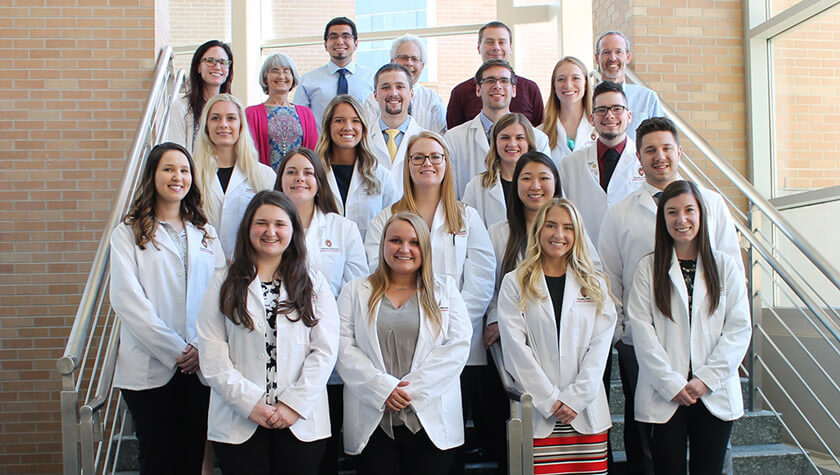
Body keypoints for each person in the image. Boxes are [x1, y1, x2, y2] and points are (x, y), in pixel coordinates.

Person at [597, 117, 743, 475]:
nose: (659, 157)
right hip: (642, 341)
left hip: (708, 353)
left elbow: (731, 287)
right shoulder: (619, 213)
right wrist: (622, 331)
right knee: (651, 441)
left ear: (679, 151)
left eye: (666, 148)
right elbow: (609, 275)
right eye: (650, 150)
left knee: (711, 453)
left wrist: (710, 374)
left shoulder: (712, 203)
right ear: (638, 157)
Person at [196, 191, 340, 475]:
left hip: (300, 419)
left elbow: (325, 350)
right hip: (240, 419)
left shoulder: (313, 282)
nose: (270, 232)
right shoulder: (222, 283)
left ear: (293, 231)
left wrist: (293, 404)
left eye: (280, 224)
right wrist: (249, 402)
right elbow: (212, 354)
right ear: (248, 227)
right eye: (261, 223)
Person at [110, 142, 225, 474]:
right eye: (169, 169)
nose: (178, 177)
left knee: (191, 457)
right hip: (150, 367)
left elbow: (220, 296)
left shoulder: (206, 233)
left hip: (199, 364)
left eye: (185, 170)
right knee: (157, 459)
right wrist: (177, 349)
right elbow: (127, 301)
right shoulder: (128, 233)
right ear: (153, 175)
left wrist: (201, 347)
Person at [627, 180, 751, 475]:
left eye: (688, 210)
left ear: (701, 215)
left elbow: (738, 329)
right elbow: (642, 332)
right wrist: (671, 383)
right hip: (665, 392)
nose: (681, 219)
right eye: (672, 212)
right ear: (663, 219)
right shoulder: (648, 267)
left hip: (712, 391)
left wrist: (706, 379)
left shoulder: (725, 266)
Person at [336, 211, 472, 474]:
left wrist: (409, 392)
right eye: (395, 240)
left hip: (430, 422)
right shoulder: (355, 290)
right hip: (374, 421)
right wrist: (382, 389)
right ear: (383, 243)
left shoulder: (445, 290)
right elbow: (343, 347)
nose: (404, 249)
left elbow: (458, 346)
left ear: (425, 246)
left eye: (414, 242)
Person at [497, 198, 616, 475]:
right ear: (538, 230)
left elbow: (600, 350)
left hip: (586, 411)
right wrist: (549, 400)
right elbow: (516, 350)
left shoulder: (595, 284)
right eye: (551, 225)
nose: (559, 235)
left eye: (567, 227)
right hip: (539, 413)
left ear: (577, 234)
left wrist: (575, 398)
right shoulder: (516, 282)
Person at [273, 146, 369, 475]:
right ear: (280, 180)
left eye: (308, 172)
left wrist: (326, 331)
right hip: (281, 352)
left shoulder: (343, 228)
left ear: (319, 181)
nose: (300, 179)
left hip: (331, 350)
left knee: (326, 445)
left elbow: (355, 289)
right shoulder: (268, 228)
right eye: (291, 172)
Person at [445, 59, 551, 198]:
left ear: (514, 90)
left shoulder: (538, 139)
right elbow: (450, 195)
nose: (497, 86)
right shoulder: (453, 139)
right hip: (468, 218)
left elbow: (545, 192)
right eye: (490, 80)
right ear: (478, 89)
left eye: (504, 81)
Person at [559, 80, 644, 244]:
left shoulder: (644, 163)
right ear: (592, 119)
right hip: (585, 258)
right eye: (601, 110)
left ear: (629, 116)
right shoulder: (570, 165)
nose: (609, 115)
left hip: (633, 256)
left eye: (617, 109)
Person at [192, 94, 276, 259]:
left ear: (241, 125)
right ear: (206, 126)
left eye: (231, 118)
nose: (223, 124)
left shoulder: (264, 175)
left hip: (248, 268)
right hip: (202, 265)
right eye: (215, 118)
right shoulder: (191, 173)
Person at [316, 95, 400, 240]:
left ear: (363, 127)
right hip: (322, 260)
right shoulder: (313, 174)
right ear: (328, 126)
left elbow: (395, 225)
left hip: (369, 260)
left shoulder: (381, 176)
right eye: (339, 120)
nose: (347, 127)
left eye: (355, 121)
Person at [446, 21, 544, 129]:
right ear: (479, 47)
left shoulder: (530, 89)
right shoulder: (460, 93)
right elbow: (453, 138)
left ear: (510, 48)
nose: (496, 47)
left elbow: (539, 134)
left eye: (502, 42)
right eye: (489, 42)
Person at [294, 17, 376, 130]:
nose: (339, 41)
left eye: (346, 36)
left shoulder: (372, 79)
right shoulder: (307, 81)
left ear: (356, 43)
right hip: (321, 146)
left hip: (362, 145)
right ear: (325, 44)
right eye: (333, 37)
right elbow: (299, 122)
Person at [462, 112, 537, 228]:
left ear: (529, 143)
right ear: (495, 142)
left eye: (519, 138)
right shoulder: (476, 186)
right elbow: (466, 229)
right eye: (505, 138)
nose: (512, 144)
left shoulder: (543, 182)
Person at [245, 53, 318, 171]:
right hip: (264, 182)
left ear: (293, 77)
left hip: (299, 182)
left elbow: (313, 154)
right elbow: (248, 154)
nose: (281, 76)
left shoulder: (306, 114)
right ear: (265, 77)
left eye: (286, 71)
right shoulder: (251, 114)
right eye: (275, 71)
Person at [363, 35, 447, 135]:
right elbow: (368, 137)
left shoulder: (433, 100)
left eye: (415, 59)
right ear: (392, 61)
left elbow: (438, 139)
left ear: (423, 65)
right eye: (404, 58)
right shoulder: (372, 101)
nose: (409, 63)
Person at [366, 63, 428, 191]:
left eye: (400, 87)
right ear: (375, 95)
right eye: (385, 87)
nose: (393, 93)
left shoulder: (428, 141)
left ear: (411, 93)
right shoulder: (363, 140)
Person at [594, 30, 663, 140]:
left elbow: (659, 139)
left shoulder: (647, 98)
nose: (612, 58)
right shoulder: (586, 97)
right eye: (606, 52)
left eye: (618, 52)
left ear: (628, 57)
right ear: (597, 58)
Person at [168, 40, 233, 152]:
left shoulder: (234, 108)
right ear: (198, 67)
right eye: (210, 61)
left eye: (223, 62)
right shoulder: (181, 108)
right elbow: (177, 154)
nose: (217, 67)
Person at [540, 57, 596, 166]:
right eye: (561, 79)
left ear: (585, 84)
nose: (568, 85)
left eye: (575, 78)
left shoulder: (599, 130)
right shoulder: (540, 134)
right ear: (554, 86)